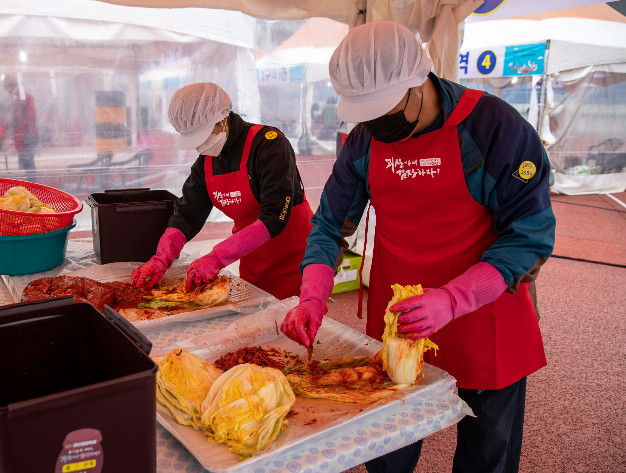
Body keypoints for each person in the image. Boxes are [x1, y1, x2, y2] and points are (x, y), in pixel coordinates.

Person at [280, 22, 556, 473]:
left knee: (488, 450)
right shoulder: (366, 140)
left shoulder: (495, 127)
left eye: (386, 111)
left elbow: (529, 237)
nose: (378, 127)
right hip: (399, 313)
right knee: (387, 442)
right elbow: (330, 225)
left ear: (419, 79)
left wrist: (453, 298)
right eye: (367, 115)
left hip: (483, 309)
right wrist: (312, 295)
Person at [131, 82, 313, 299]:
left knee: (294, 322)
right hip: (252, 254)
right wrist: (161, 258)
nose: (201, 146)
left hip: (295, 257)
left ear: (223, 119)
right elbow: (187, 215)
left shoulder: (269, 145)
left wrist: (217, 257)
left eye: (205, 135)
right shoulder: (206, 162)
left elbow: (275, 216)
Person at [3, 74, 39, 175]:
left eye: (7, 87)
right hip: (25, 135)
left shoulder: (21, 97)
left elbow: (29, 116)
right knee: (27, 164)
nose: (7, 90)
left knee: (28, 164)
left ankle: (32, 187)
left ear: (10, 86)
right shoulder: (18, 97)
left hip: (27, 135)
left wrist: (17, 125)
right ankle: (31, 186)